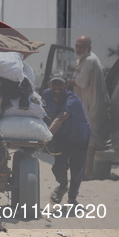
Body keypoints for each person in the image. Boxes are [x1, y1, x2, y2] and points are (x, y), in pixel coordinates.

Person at [43, 70, 91, 206]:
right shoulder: (46, 94)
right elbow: (43, 112)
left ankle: (72, 198)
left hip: (79, 137)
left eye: (61, 84)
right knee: (58, 166)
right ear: (49, 84)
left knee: (76, 170)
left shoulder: (73, 99)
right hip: (63, 136)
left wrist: (46, 136)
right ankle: (63, 186)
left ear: (66, 86)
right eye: (54, 84)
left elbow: (61, 118)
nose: (57, 87)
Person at [68, 36, 110, 179]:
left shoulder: (89, 61)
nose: (78, 49)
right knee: (91, 138)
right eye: (77, 45)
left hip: (92, 106)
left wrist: (64, 82)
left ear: (89, 48)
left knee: (90, 139)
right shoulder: (88, 59)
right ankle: (88, 171)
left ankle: (89, 172)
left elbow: (81, 82)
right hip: (92, 105)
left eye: (82, 46)